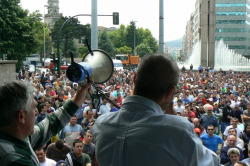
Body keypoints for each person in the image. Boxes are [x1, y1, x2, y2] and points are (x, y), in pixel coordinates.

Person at [92, 53, 219, 166]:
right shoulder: (177, 130)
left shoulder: (101, 124)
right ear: (171, 92)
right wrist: (174, 118)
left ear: (134, 79)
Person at [0, 80, 91, 165]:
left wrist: (80, 94)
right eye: (34, 108)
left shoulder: (22, 136)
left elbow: (52, 123)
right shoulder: (12, 159)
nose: (37, 112)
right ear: (21, 116)